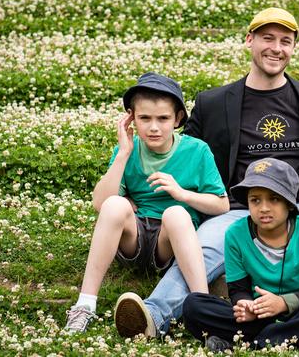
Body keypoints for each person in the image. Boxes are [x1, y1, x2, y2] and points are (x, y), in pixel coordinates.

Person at [114, 8, 299, 338]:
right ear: (250, 41)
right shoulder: (213, 102)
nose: (276, 48)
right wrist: (130, 191)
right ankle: (152, 315)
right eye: (267, 38)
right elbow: (176, 151)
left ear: (294, 47)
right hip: (237, 212)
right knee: (202, 247)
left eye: (285, 41)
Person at [63, 72, 229, 334]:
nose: (154, 127)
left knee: (176, 213)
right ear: (131, 119)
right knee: (115, 205)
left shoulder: (197, 151)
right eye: (144, 118)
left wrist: (182, 193)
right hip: (134, 240)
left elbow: (221, 205)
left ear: (177, 119)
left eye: (163, 118)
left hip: (170, 242)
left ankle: (202, 308)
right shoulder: (127, 150)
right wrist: (124, 153)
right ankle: (85, 305)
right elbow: (100, 203)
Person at [183, 158, 299, 352]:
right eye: (255, 200)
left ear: (289, 203)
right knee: (194, 305)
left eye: (274, 199)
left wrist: (283, 303)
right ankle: (282, 339)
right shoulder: (235, 233)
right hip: (258, 316)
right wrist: (246, 306)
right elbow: (238, 289)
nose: (264, 208)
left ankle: (249, 343)